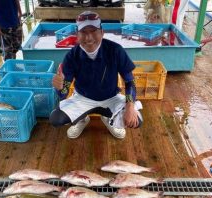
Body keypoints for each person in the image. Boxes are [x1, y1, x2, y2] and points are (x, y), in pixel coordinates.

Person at [50, 11, 143, 139]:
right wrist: (59, 88)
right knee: (56, 118)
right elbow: (64, 93)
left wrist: (130, 106)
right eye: (84, 32)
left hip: (111, 97)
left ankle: (109, 119)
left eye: (93, 31)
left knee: (137, 119)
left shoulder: (116, 50)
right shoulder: (71, 56)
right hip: (82, 98)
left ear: (102, 32)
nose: (89, 38)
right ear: (77, 35)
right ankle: (82, 120)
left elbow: (129, 81)